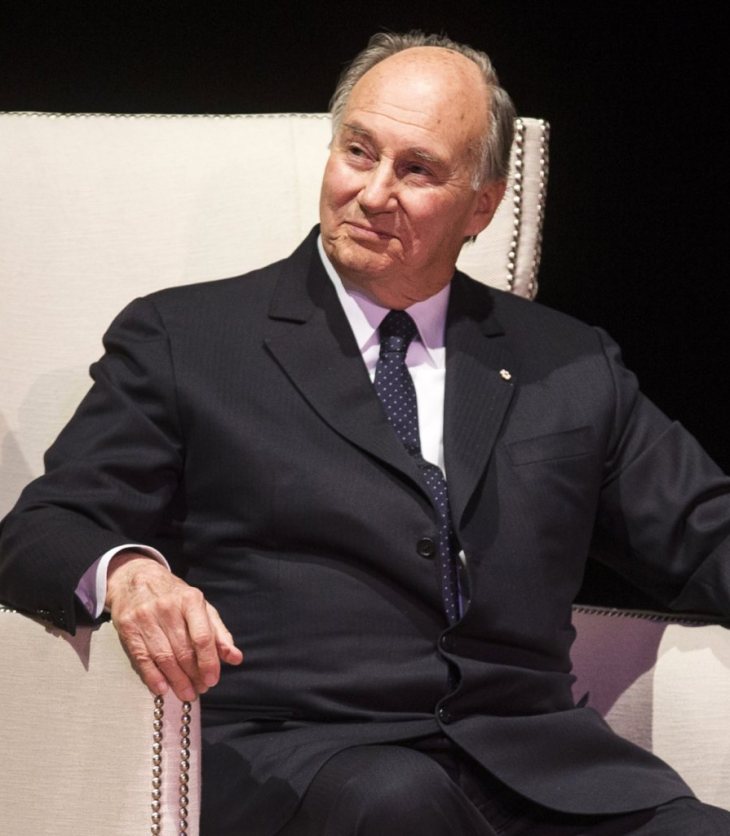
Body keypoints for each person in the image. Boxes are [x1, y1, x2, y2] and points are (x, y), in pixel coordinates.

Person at [1, 30, 729, 836]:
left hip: (539, 769)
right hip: (303, 760)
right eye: (358, 151)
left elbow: (706, 533)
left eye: (416, 170)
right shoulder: (189, 339)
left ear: (482, 205)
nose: (373, 191)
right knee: (398, 805)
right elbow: (41, 531)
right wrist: (130, 571)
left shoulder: (568, 363)